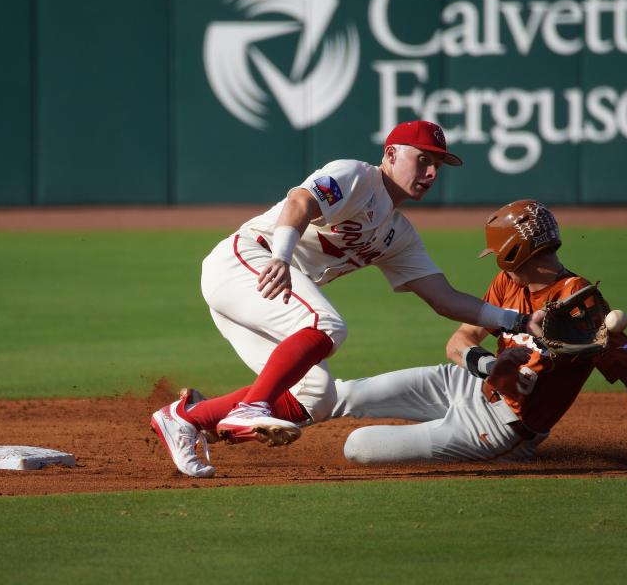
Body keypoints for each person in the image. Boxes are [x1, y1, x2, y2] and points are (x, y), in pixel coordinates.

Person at [150, 121, 543, 478]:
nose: (430, 173)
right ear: (390, 154)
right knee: (326, 325)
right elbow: (300, 202)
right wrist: (282, 257)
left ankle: (185, 418)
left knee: (317, 395)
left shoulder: (398, 233)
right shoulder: (357, 176)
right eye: (423, 160)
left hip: (265, 289)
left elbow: (443, 298)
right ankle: (250, 410)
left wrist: (517, 321)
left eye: (438, 167)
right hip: (247, 261)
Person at [331, 200, 627, 471]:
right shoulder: (508, 282)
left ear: (512, 253)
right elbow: (458, 342)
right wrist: (489, 364)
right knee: (347, 392)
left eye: (497, 252)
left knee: (358, 445)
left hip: (499, 427)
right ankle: (275, 409)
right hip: (465, 385)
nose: (495, 260)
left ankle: (445, 434)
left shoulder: (581, 307)